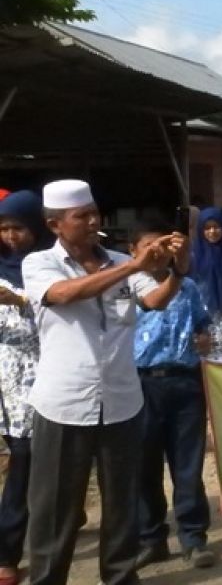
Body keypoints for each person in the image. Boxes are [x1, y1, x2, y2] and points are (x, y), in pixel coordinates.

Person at [22, 179, 186, 585]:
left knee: (121, 505)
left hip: (121, 402)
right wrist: (131, 265)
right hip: (64, 405)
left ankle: (119, 577)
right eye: (82, 216)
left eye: (94, 212)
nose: (94, 220)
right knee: (55, 510)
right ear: (55, 224)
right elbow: (63, 295)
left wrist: (178, 270)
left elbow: (155, 300)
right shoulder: (39, 264)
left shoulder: (116, 259)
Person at [130, 221, 216, 571]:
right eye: (147, 246)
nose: (156, 252)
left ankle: (194, 539)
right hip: (139, 385)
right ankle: (152, 539)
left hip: (184, 384)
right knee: (142, 466)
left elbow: (202, 324)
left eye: (162, 245)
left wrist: (204, 338)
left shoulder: (189, 287)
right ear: (132, 253)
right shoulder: (122, 289)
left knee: (187, 466)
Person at [0, 192, 51, 585]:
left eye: (18, 227)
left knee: (30, 466)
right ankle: (11, 552)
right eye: (4, 229)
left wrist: (21, 302)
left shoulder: (50, 269)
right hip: (6, 387)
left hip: (48, 379)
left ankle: (11, 551)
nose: (10, 236)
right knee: (22, 463)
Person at [190, 207, 222, 355]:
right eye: (207, 228)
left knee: (220, 358)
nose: (212, 232)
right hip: (199, 316)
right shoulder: (193, 255)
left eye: (216, 227)